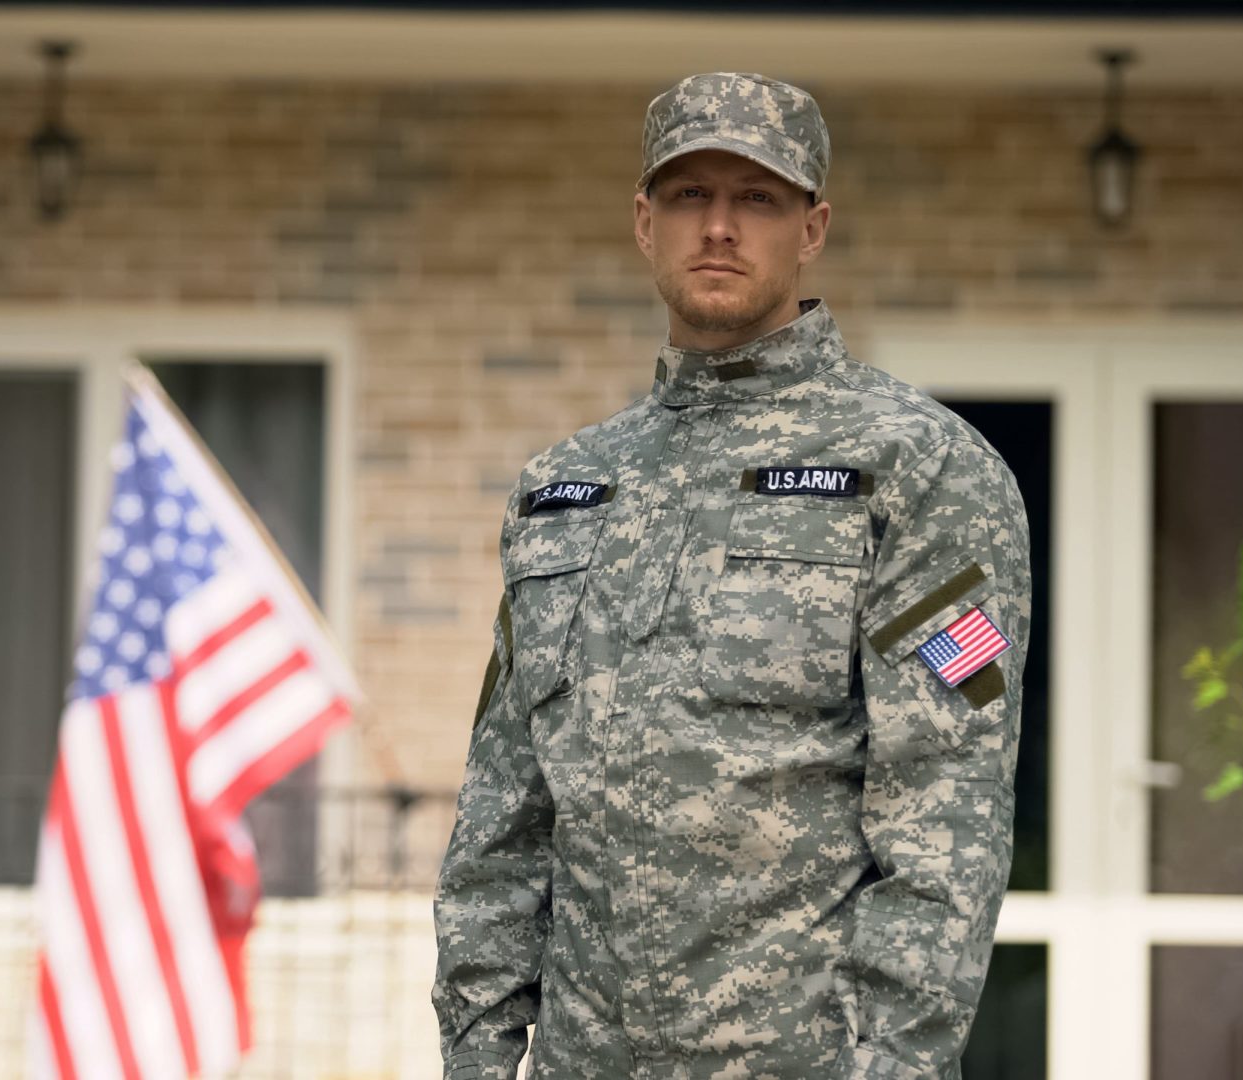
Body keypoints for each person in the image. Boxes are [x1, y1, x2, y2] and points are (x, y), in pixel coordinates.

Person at [430, 71, 1032, 1080]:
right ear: (642, 221)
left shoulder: (918, 468)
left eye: (757, 198)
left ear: (813, 227)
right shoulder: (565, 488)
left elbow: (947, 812)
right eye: (688, 196)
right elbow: (505, 808)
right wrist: (478, 1052)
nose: (719, 227)